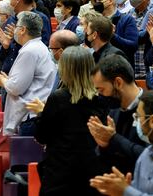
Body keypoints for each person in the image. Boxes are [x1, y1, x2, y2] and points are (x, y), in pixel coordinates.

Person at [28, 46, 108, 195]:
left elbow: (41, 136)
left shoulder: (58, 98)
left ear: (65, 69)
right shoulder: (101, 99)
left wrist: (41, 113)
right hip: (91, 173)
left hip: (60, 174)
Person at [0, 12, 56, 135]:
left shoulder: (30, 51)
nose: (14, 30)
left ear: (23, 30)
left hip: (29, 117)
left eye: (17, 27)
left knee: (25, 155)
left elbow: (16, 88)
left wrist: (3, 81)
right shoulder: (38, 47)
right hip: (33, 115)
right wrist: (9, 80)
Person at [90, 89, 153, 195]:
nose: (138, 121)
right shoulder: (147, 154)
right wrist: (123, 186)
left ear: (152, 121)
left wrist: (126, 191)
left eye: (138, 117)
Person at [88, 54, 147, 174]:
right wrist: (103, 146)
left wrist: (114, 139)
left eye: (101, 89)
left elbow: (152, 156)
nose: (100, 95)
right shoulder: (113, 110)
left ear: (118, 83)